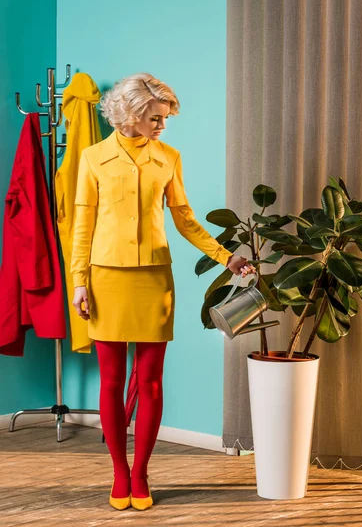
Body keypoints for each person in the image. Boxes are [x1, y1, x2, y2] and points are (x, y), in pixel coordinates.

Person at [71, 73, 255, 511]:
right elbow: (82, 227)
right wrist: (79, 280)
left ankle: (141, 473)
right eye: (156, 118)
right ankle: (119, 473)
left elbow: (185, 218)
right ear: (132, 115)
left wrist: (224, 255)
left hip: (154, 279)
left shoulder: (168, 157)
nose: (162, 126)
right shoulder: (93, 158)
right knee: (113, 381)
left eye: (165, 118)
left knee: (150, 382)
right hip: (106, 278)